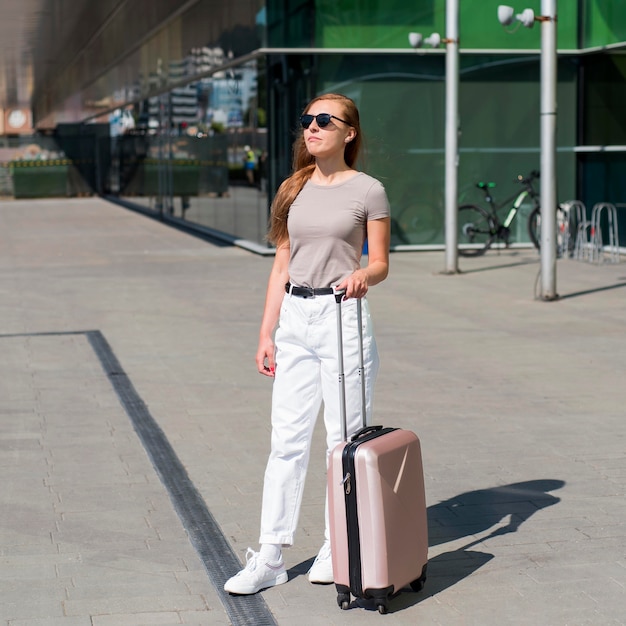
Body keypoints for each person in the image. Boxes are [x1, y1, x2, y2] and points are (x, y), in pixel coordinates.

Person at [224, 93, 391, 595]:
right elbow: (281, 266)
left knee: (343, 441)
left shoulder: (369, 191)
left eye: (324, 120)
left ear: (349, 133)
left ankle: (335, 544)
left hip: (343, 317)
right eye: (307, 120)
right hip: (296, 318)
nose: (311, 128)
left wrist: (364, 274)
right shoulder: (293, 188)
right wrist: (265, 333)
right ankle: (270, 555)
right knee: (286, 442)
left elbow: (381, 262)